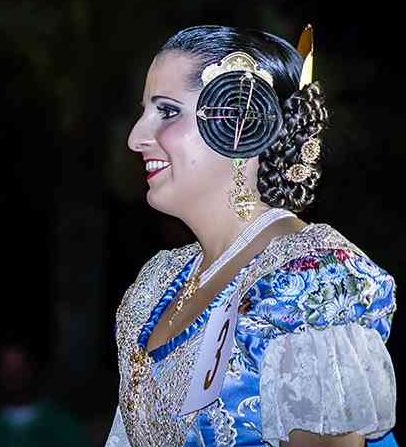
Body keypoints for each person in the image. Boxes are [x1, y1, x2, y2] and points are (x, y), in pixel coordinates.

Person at [106, 24, 397, 446]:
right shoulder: (156, 284)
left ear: (241, 124)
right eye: (145, 112)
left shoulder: (307, 281)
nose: (137, 138)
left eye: (167, 111)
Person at [0, 337, 90, 447]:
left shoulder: (64, 429)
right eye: (8, 371)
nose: (14, 378)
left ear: (34, 370)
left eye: (20, 370)